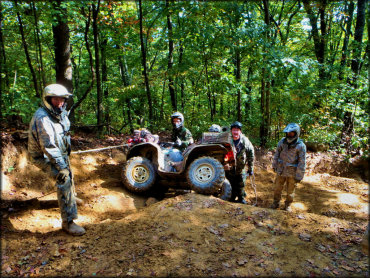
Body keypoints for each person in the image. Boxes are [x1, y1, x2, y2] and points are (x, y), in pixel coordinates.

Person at [28, 84, 85, 236]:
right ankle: (68, 222)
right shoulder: (43, 118)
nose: (59, 102)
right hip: (43, 157)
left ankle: (70, 200)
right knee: (64, 179)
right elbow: (49, 147)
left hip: (59, 153)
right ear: (48, 99)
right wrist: (61, 167)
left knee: (69, 172)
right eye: (55, 99)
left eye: (62, 99)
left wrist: (65, 159)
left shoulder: (60, 114)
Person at [271, 123, 306, 212]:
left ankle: (288, 205)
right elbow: (277, 154)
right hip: (281, 170)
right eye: (288, 133)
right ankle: (276, 202)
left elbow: (302, 162)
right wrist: (274, 165)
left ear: (296, 133)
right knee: (277, 188)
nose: (289, 135)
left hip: (292, 172)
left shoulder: (300, 145)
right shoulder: (282, 142)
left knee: (290, 192)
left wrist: (299, 175)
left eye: (291, 133)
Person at [227, 121, 254, 204]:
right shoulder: (227, 139)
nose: (235, 132)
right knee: (230, 182)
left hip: (240, 166)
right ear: (231, 131)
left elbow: (251, 154)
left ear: (240, 131)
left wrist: (250, 168)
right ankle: (231, 197)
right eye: (234, 130)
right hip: (229, 166)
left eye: (237, 130)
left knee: (241, 183)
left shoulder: (245, 141)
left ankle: (241, 198)